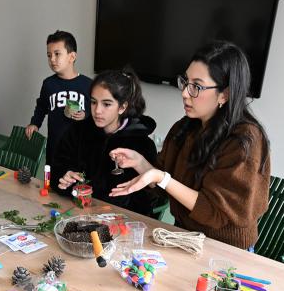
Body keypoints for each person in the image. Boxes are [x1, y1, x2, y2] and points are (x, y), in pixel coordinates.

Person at [108, 40, 270, 250]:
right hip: (184, 236)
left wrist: (161, 177)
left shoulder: (245, 140)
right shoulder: (185, 127)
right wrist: (140, 163)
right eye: (185, 82)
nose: (184, 92)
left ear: (225, 94)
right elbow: (166, 186)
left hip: (226, 249)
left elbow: (214, 211)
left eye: (196, 86)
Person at [50, 69, 158, 216]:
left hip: (122, 221)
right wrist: (64, 177)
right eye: (93, 102)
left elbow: (149, 196)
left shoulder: (142, 144)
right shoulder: (76, 131)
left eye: (106, 104)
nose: (97, 111)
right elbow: (57, 169)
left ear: (122, 107)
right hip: (77, 213)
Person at [24, 30, 91, 150]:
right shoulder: (48, 84)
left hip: (80, 146)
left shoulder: (88, 84)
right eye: (49, 55)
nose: (52, 59)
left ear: (72, 57)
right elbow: (41, 107)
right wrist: (35, 123)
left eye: (57, 54)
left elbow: (95, 111)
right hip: (55, 145)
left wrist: (85, 115)